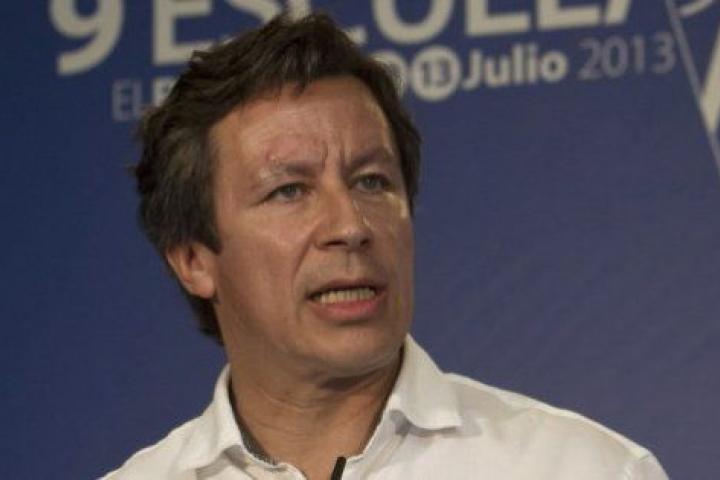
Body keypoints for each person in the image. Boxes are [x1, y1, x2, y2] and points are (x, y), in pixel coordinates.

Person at [103, 13, 668, 480]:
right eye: (289, 190)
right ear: (193, 260)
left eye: (371, 181)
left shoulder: (581, 469)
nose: (350, 225)